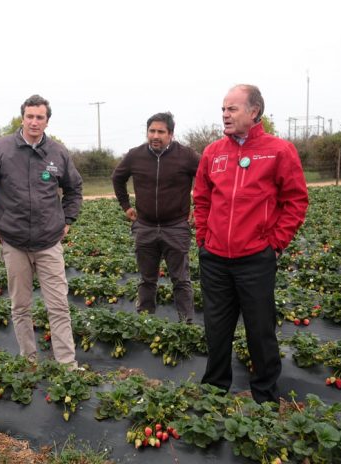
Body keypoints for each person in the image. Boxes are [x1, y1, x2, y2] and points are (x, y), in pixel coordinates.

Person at [193, 85, 309, 404]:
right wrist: (203, 238)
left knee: (260, 332)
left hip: (255, 259)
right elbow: (201, 199)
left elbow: (296, 201)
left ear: (254, 111)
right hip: (215, 258)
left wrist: (275, 244)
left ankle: (265, 396)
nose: (225, 115)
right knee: (216, 330)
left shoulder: (279, 150)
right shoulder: (213, 152)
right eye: (223, 109)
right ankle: (214, 391)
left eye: (232, 109)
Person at [0, 94, 83, 369]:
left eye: (39, 117)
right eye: (29, 116)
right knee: (20, 306)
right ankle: (28, 362)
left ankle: (67, 364)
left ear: (47, 121)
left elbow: (74, 188)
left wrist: (68, 218)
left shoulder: (58, 153)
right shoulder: (1, 150)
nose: (34, 121)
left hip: (48, 242)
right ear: (23, 118)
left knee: (58, 306)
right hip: (14, 241)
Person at [111, 112, 199, 322]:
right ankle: (145, 320)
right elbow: (117, 178)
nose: (155, 136)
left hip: (176, 226)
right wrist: (125, 205)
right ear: (147, 132)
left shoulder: (186, 155)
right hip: (145, 226)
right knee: (147, 278)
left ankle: (186, 322)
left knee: (181, 279)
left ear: (171, 134)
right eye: (152, 131)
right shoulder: (135, 155)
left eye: (161, 131)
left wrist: (199, 207)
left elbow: (207, 178)